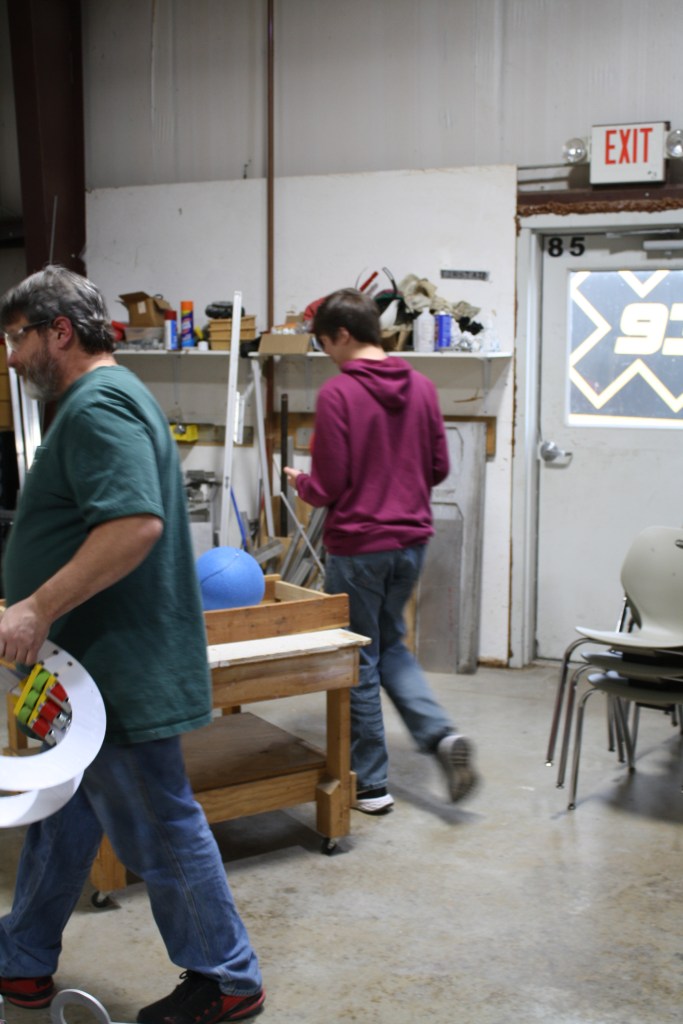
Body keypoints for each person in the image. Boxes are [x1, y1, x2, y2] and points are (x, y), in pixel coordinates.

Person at [0, 266, 265, 1023]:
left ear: (58, 332)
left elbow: (134, 525)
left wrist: (35, 607)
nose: (11, 358)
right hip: (84, 669)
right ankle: (22, 958)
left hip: (116, 669)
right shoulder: (105, 398)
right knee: (64, 811)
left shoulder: (98, 404)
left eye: (16, 338)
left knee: (158, 821)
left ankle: (227, 978)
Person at [284, 288, 478, 816]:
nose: (327, 354)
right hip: (410, 543)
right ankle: (440, 735)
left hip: (358, 547)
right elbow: (438, 468)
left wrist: (302, 482)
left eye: (325, 343)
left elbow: (329, 485)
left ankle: (370, 784)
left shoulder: (340, 394)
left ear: (343, 335)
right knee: (389, 644)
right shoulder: (421, 387)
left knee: (359, 658)